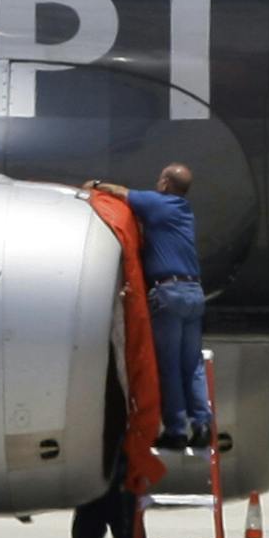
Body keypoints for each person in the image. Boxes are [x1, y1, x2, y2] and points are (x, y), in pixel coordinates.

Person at [86, 163, 208, 450]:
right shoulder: (184, 211)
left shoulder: (158, 204)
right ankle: (202, 424)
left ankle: (176, 430)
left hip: (169, 292)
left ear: (165, 183)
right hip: (193, 292)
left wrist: (97, 183)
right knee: (192, 365)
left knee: (169, 365)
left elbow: (121, 193)